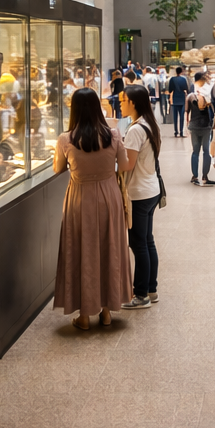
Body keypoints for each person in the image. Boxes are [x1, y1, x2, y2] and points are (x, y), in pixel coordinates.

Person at [53, 88, 132, 329]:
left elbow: (58, 169)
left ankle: (84, 316)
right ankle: (107, 311)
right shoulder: (113, 135)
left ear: (74, 109)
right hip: (109, 196)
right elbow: (125, 164)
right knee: (110, 247)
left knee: (81, 250)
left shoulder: (66, 139)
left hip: (80, 198)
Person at [118, 84, 163, 309]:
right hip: (151, 189)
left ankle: (141, 294)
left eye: (123, 100)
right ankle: (151, 289)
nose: (120, 103)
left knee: (139, 245)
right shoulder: (150, 123)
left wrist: (114, 155)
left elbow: (128, 164)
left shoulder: (135, 130)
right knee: (147, 241)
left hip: (138, 193)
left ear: (132, 102)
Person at [186, 72, 215, 185]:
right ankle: (204, 176)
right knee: (206, 151)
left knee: (196, 151)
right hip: (205, 126)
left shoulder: (191, 95)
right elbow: (211, 109)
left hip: (195, 126)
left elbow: (186, 112)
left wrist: (187, 125)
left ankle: (195, 176)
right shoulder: (206, 93)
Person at [168, 66, 189, 137]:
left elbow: (170, 89)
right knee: (182, 116)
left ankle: (176, 131)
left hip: (175, 98)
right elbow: (186, 88)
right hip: (182, 98)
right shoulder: (183, 79)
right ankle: (181, 132)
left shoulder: (172, 79)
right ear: (181, 72)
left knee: (175, 116)